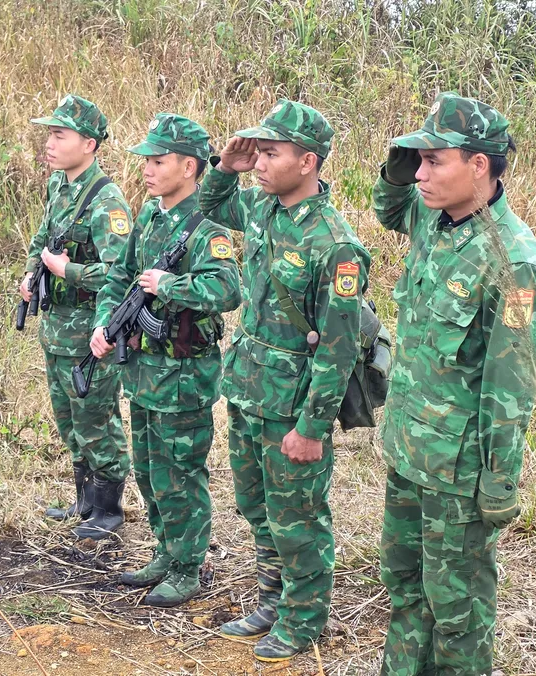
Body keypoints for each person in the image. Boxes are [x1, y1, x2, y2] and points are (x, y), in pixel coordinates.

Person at [374, 92, 536, 676]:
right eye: (416, 160)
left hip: (457, 474)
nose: (420, 174)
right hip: (408, 451)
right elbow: (386, 205)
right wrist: (405, 158)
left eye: (435, 160)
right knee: (403, 586)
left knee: (456, 612)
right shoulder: (431, 217)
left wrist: (498, 484)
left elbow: (511, 386)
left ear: (479, 164)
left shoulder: (513, 260)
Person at [198, 100, 370, 661]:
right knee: (255, 505)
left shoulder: (336, 245)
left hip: (293, 405)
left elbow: (339, 350)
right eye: (259, 152)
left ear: (308, 161)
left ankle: (303, 619)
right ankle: (272, 598)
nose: (261, 163)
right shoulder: (263, 210)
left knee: (298, 517)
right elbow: (208, 205)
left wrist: (313, 426)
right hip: (249, 389)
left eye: (271, 153)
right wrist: (226, 166)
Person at [90, 113, 240, 605]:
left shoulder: (208, 226)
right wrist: (104, 323)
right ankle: (164, 551)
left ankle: (187, 566)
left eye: (158, 162)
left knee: (181, 472)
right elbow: (119, 277)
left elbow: (227, 288)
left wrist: (172, 285)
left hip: (184, 375)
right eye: (146, 161)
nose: (147, 170)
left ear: (191, 167)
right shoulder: (151, 216)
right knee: (150, 469)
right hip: (144, 371)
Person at [20, 95, 134, 540]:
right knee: (69, 418)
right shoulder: (58, 186)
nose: (49, 143)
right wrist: (32, 273)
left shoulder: (107, 203)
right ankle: (84, 503)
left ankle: (107, 511)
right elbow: (42, 237)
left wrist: (66, 270)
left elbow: (118, 273)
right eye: (49, 133)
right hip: (56, 329)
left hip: (90, 334)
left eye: (58, 134)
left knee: (96, 419)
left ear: (88, 144)